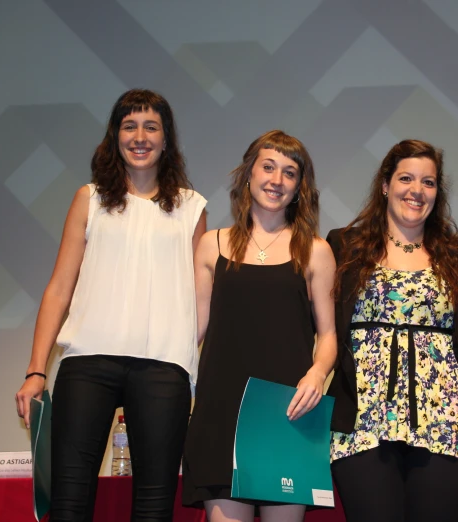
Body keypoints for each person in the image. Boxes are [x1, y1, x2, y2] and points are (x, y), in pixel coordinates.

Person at [14, 89, 207, 521]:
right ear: (115, 136)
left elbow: (200, 300)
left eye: (151, 127)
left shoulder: (191, 208)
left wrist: (184, 353)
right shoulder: (90, 198)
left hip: (162, 368)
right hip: (88, 362)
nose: (140, 137)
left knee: (155, 507)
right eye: (129, 126)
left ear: (166, 138)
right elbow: (59, 288)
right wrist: (36, 370)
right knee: (69, 502)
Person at [181, 130, 337, 522]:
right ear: (248, 175)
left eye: (289, 172)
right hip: (220, 413)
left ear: (300, 186)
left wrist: (318, 373)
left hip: (287, 414)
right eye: (268, 167)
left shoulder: (316, 251)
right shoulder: (211, 245)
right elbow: (192, 330)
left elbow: (330, 336)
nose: (276, 180)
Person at [327, 139, 458, 522]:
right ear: (384, 184)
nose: (416, 190)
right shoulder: (344, 246)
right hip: (363, 424)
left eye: (428, 182)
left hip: (442, 424)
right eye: (406, 178)